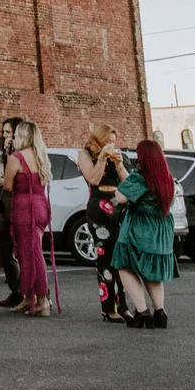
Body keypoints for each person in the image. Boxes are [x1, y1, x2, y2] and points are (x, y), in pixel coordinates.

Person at [111, 139, 178, 329]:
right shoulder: (166, 177)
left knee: (124, 266)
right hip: (162, 230)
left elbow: (122, 196)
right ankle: (160, 312)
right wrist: (122, 170)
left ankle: (142, 312)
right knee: (152, 271)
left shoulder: (141, 177)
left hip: (140, 228)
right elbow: (136, 188)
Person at [78, 122, 130, 321]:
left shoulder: (119, 156)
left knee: (122, 257)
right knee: (105, 257)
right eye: (108, 141)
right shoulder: (86, 155)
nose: (111, 144)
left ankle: (123, 305)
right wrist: (102, 158)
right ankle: (109, 308)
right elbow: (93, 179)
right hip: (100, 209)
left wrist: (119, 165)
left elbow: (128, 182)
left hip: (119, 207)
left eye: (114, 141)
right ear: (99, 140)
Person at [2, 119, 53, 316]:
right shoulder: (41, 155)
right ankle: (28, 297)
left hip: (25, 207)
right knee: (29, 253)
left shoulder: (17, 157)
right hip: (41, 205)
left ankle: (40, 300)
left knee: (32, 255)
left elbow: (7, 185)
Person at [0, 117, 25, 307]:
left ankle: (26, 290)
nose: (5, 136)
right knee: (4, 248)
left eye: (8, 132)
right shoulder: (6, 154)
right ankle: (15, 289)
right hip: (4, 202)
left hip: (17, 202)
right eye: (3, 132)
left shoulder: (21, 153)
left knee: (20, 249)